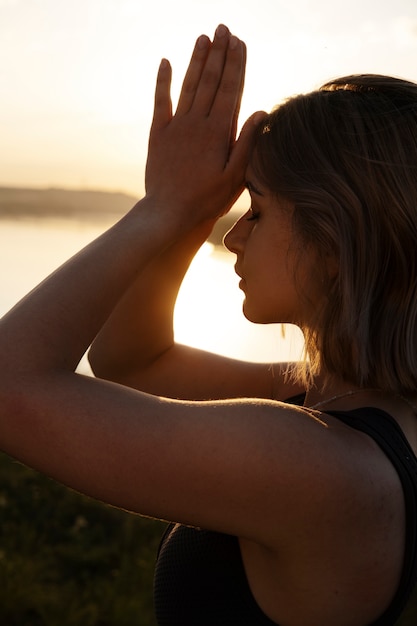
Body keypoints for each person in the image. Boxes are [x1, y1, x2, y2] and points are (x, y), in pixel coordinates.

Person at [1, 23, 417, 625]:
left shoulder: (311, 463)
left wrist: (162, 210)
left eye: (259, 208)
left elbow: (10, 387)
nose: (232, 234)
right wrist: (185, 215)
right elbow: (134, 361)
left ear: (335, 240)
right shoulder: (351, 407)